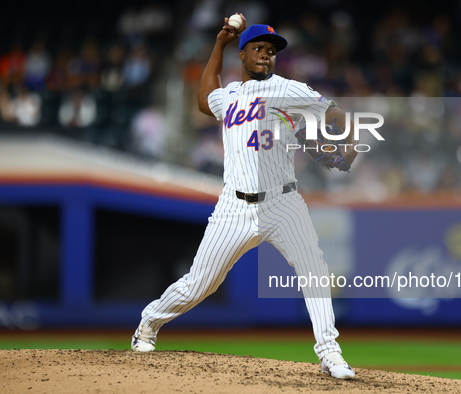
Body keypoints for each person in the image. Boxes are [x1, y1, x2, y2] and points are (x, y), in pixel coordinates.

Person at [131, 14, 358, 380]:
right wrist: (218, 45)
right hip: (234, 207)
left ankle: (330, 353)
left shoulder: (290, 90)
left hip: (283, 203)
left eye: (271, 51)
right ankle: (149, 323)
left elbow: (334, 112)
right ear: (243, 55)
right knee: (199, 285)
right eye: (258, 49)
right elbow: (205, 100)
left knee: (314, 271)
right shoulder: (230, 96)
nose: (266, 55)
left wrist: (348, 146)